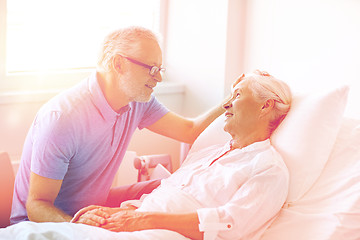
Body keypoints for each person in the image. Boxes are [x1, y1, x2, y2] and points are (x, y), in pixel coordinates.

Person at [10, 26, 228, 225]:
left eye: (160, 69)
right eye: (152, 69)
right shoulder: (61, 119)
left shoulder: (138, 102)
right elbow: (36, 206)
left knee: (175, 187)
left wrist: (232, 99)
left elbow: (189, 131)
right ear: (118, 64)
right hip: (51, 222)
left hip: (94, 206)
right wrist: (76, 224)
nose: (159, 78)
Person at [68, 70, 293, 240]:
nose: (226, 105)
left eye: (237, 95)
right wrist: (112, 214)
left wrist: (143, 220)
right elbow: (163, 198)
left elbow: (231, 223)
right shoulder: (206, 154)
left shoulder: (268, 168)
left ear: (266, 106)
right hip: (140, 225)